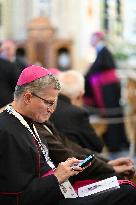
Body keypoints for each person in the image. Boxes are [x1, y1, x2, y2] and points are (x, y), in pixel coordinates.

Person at [0, 65, 136, 205]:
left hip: (59, 192)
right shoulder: (7, 132)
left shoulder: (27, 122)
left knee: (123, 188)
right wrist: (57, 176)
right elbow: (18, 198)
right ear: (28, 97)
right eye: (49, 103)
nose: (52, 110)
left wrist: (65, 170)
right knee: (126, 193)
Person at [84, 31, 129, 158]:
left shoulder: (104, 50)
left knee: (112, 114)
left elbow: (100, 69)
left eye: (92, 39)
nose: (90, 42)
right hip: (106, 89)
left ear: (98, 38)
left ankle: (116, 143)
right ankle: (114, 142)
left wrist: (86, 76)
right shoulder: (100, 51)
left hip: (109, 90)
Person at [51, 70, 103, 153]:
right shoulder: (77, 113)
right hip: (76, 161)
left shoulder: (47, 107)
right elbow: (97, 146)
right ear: (81, 94)